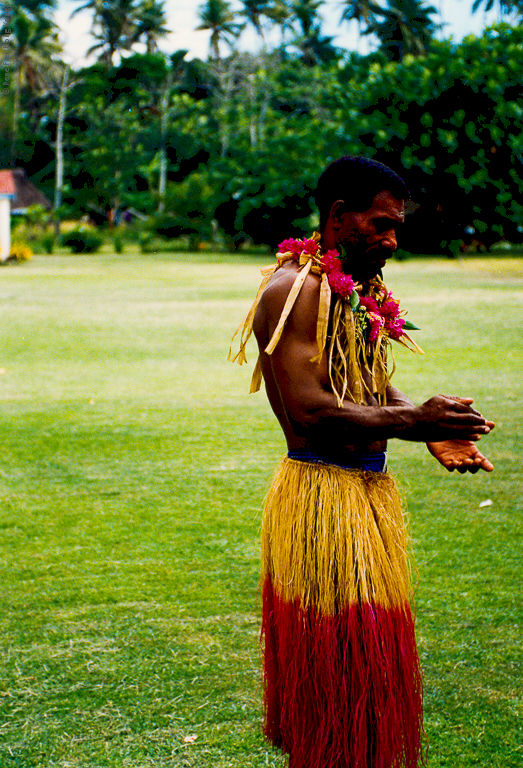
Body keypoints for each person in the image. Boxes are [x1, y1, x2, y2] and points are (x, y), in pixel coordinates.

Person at [230, 155, 494, 768]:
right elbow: (313, 409)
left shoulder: (357, 293)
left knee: (371, 680)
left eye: (396, 226)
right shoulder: (294, 291)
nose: (392, 240)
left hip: (366, 499)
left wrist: (425, 427)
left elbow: (366, 383)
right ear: (338, 217)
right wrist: (416, 421)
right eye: (380, 225)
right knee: (333, 686)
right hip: (321, 497)